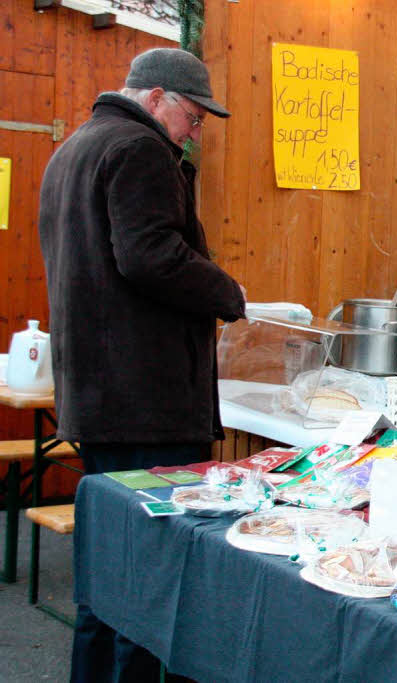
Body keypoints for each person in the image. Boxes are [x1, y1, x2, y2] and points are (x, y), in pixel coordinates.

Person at [37, 48, 245, 682]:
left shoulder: (74, 147)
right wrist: (229, 294)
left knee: (105, 577)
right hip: (145, 405)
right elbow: (150, 256)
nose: (195, 132)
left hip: (98, 399)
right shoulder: (142, 149)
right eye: (193, 116)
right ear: (155, 99)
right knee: (146, 584)